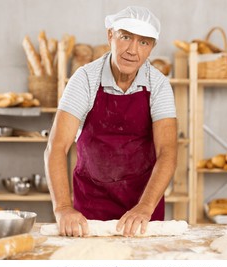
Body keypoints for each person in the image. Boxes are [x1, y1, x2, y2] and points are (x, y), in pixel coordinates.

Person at [44, 6, 177, 237]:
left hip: (143, 207)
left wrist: (145, 206)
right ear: (110, 35)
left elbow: (168, 151)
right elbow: (57, 146)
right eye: (125, 37)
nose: (132, 50)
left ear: (152, 47)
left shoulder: (159, 85)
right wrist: (63, 208)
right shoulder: (85, 79)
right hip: (90, 207)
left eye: (144, 42)